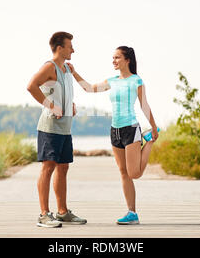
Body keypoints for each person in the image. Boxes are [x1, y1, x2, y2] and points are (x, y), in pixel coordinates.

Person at [68, 46, 159, 225]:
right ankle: (132, 213)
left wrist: (153, 127)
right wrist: (74, 72)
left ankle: (148, 143)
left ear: (127, 60)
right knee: (123, 172)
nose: (114, 61)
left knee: (134, 173)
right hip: (114, 130)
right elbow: (89, 88)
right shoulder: (112, 81)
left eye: (117, 57)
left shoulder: (136, 81)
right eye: (113, 58)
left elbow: (144, 106)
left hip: (130, 128)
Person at [26, 31, 87, 228]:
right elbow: (31, 86)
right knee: (48, 167)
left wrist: (71, 105)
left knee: (63, 167)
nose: (73, 50)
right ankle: (44, 214)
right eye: (70, 46)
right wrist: (51, 105)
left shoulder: (67, 69)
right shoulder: (49, 67)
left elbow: (63, 92)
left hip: (65, 128)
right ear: (60, 48)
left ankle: (62, 212)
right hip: (50, 128)